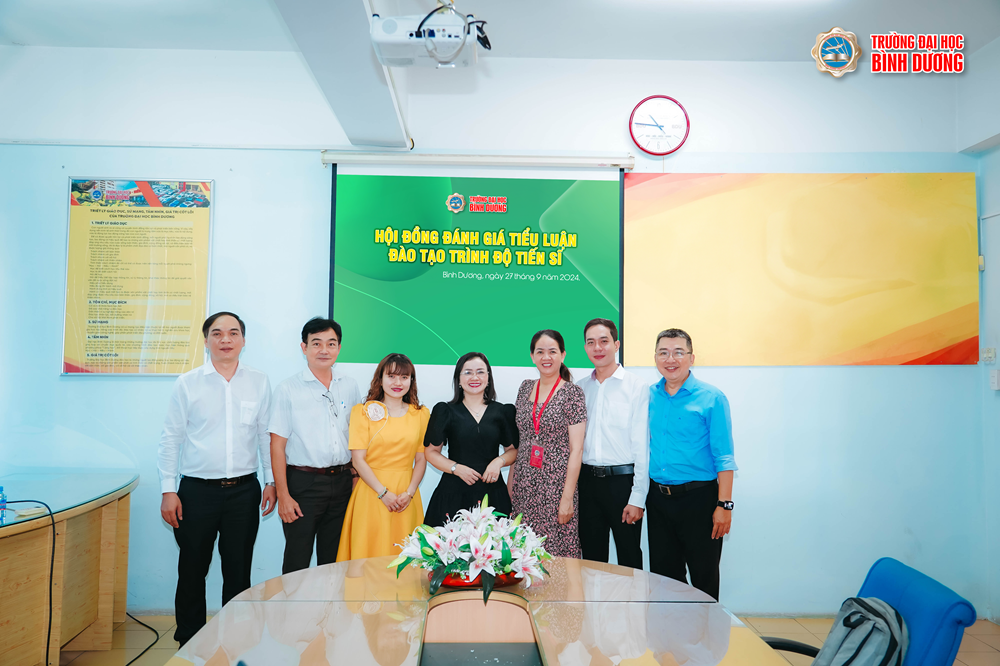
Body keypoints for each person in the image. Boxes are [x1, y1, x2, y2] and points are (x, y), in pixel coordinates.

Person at [157, 311, 275, 647]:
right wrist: (168, 490)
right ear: (206, 340)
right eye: (218, 333)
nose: (226, 339)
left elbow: (265, 435)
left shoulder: (258, 381)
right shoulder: (188, 383)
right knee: (192, 569)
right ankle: (190, 640)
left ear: (243, 340)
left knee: (238, 571)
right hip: (196, 492)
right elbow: (171, 439)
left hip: (244, 491)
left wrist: (270, 481)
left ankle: (235, 640)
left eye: (233, 333)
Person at [647, 328, 737, 600]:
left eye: (678, 352)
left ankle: (706, 629)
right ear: (655, 357)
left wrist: (724, 505)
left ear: (691, 357)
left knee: (703, 579)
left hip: (699, 500)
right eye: (663, 353)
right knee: (664, 580)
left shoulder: (712, 397)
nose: (670, 359)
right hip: (658, 500)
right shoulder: (649, 396)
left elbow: (724, 456)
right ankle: (669, 629)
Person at [269, 317, 362, 574]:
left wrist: (355, 476)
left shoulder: (350, 385)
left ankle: (330, 603)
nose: (324, 350)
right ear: (304, 347)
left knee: (335, 561)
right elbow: (276, 446)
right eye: (316, 343)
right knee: (298, 560)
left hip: (342, 482)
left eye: (331, 344)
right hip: (303, 485)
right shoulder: (287, 389)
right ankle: (294, 603)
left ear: (339, 348)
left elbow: (357, 436)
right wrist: (283, 495)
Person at [336, 353, 430, 560]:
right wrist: (383, 493)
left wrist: (410, 492)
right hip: (372, 493)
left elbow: (421, 459)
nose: (398, 383)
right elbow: (358, 460)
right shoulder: (362, 412)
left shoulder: (421, 414)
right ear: (380, 379)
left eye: (404, 377)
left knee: (405, 557)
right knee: (369, 554)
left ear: (411, 381)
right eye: (391, 376)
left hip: (407, 495)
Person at [576, 318, 649, 569]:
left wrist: (637, 497)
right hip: (587, 484)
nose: (597, 348)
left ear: (616, 344)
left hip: (622, 484)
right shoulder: (580, 388)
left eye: (604, 341)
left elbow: (642, 447)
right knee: (591, 560)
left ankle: (633, 599)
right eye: (591, 342)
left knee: (629, 559)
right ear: (585, 348)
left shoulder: (636, 386)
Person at [509, 329, 587, 558]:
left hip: (557, 487)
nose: (546, 357)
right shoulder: (525, 387)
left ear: (563, 355)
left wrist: (567, 499)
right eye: (540, 351)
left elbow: (577, 450)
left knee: (557, 554)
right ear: (532, 356)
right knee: (522, 555)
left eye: (552, 351)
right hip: (525, 485)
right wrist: (512, 481)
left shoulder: (572, 393)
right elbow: (522, 439)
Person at [423, 352, 518, 526]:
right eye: (467, 372)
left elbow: (513, 450)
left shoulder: (503, 411)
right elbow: (431, 452)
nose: (474, 377)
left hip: (492, 493)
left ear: (488, 378)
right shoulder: (445, 411)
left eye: (480, 372)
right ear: (458, 380)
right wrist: (456, 468)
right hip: (453, 493)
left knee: (495, 542)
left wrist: (498, 462)